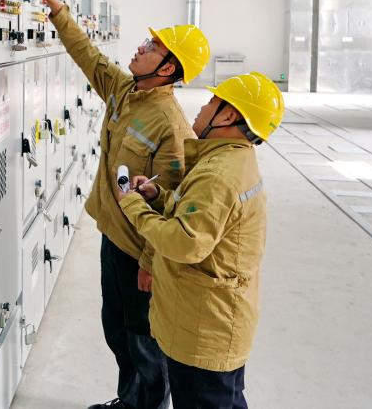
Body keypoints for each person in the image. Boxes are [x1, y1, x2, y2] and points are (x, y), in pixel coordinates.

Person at [27, 0, 210, 409]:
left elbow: (173, 203)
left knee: (142, 338)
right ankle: (130, 399)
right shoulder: (127, 92)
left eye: (152, 47)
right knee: (117, 327)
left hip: (139, 250)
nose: (140, 47)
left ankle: (142, 404)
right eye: (147, 42)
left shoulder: (170, 125)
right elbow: (87, 55)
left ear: (168, 68)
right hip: (114, 236)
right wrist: (52, 4)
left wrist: (150, 262)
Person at [116, 72, 285, 409]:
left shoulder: (218, 173)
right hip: (216, 322)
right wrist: (157, 196)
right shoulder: (227, 160)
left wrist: (133, 205)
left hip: (203, 329)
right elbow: (203, 218)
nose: (203, 106)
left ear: (228, 115)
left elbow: (185, 242)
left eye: (212, 101)